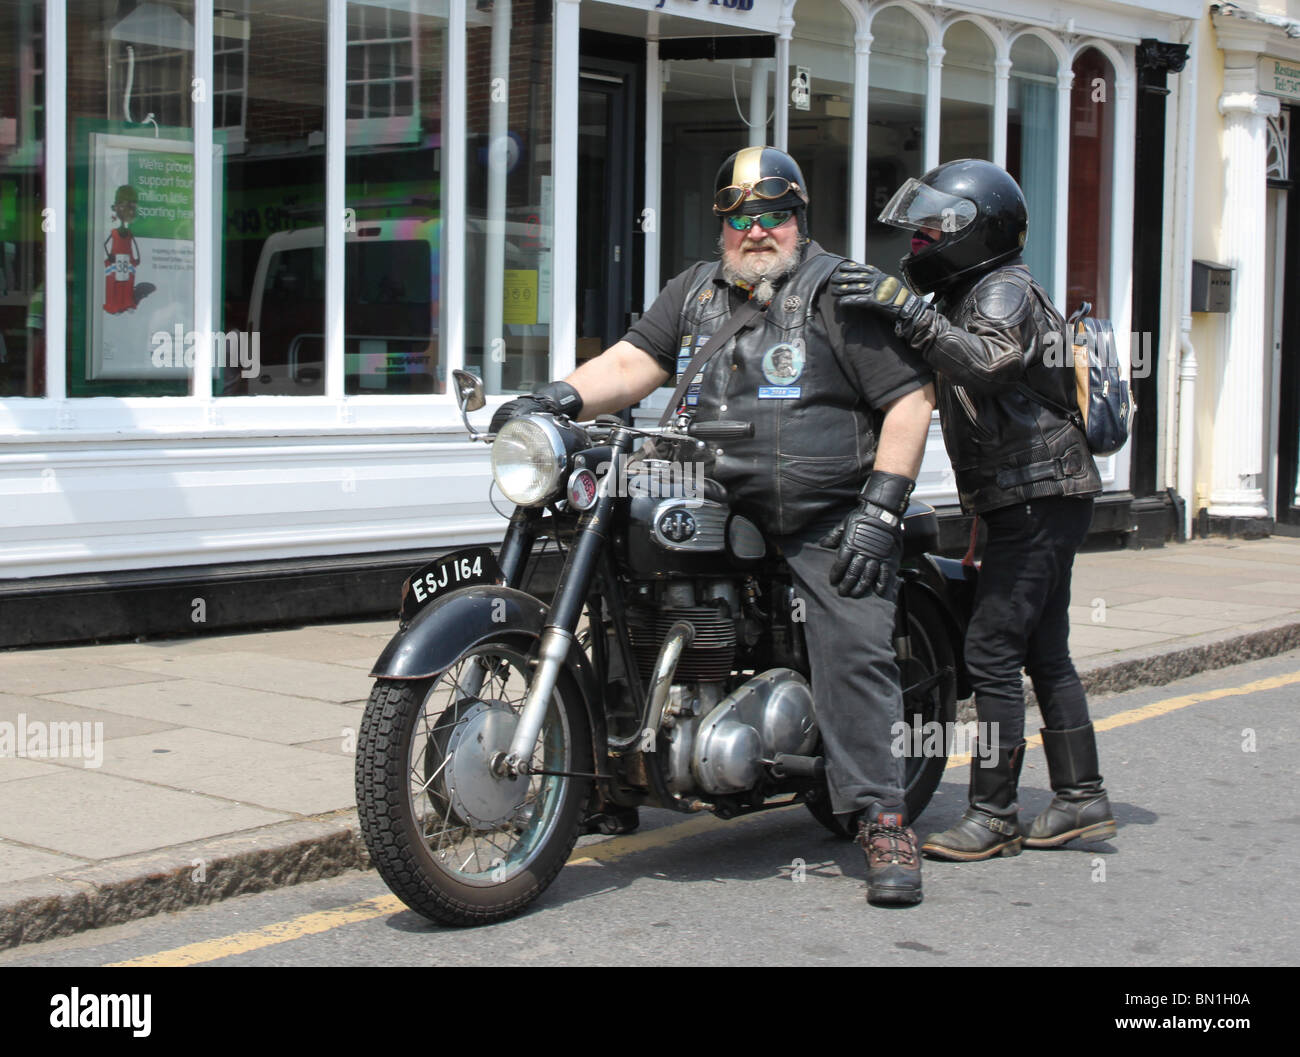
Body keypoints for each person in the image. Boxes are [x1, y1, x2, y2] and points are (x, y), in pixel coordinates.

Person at [491, 146, 936, 906]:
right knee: (615, 578)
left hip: (823, 507)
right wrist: (558, 398)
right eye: (740, 218)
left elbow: (909, 398)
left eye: (772, 216)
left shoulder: (839, 291)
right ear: (723, 227)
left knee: (850, 633)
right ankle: (606, 774)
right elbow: (634, 362)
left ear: (798, 219)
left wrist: (881, 508)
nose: (756, 231)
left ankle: (882, 814)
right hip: (704, 490)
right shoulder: (697, 289)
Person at [830, 158, 1116, 862]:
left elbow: (988, 363)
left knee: (990, 650)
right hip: (1034, 496)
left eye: (935, 230)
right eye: (921, 230)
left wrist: (907, 311)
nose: (921, 243)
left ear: (976, 232)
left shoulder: (1000, 292)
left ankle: (993, 813)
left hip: (1039, 495)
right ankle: (1082, 797)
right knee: (1046, 651)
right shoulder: (976, 289)